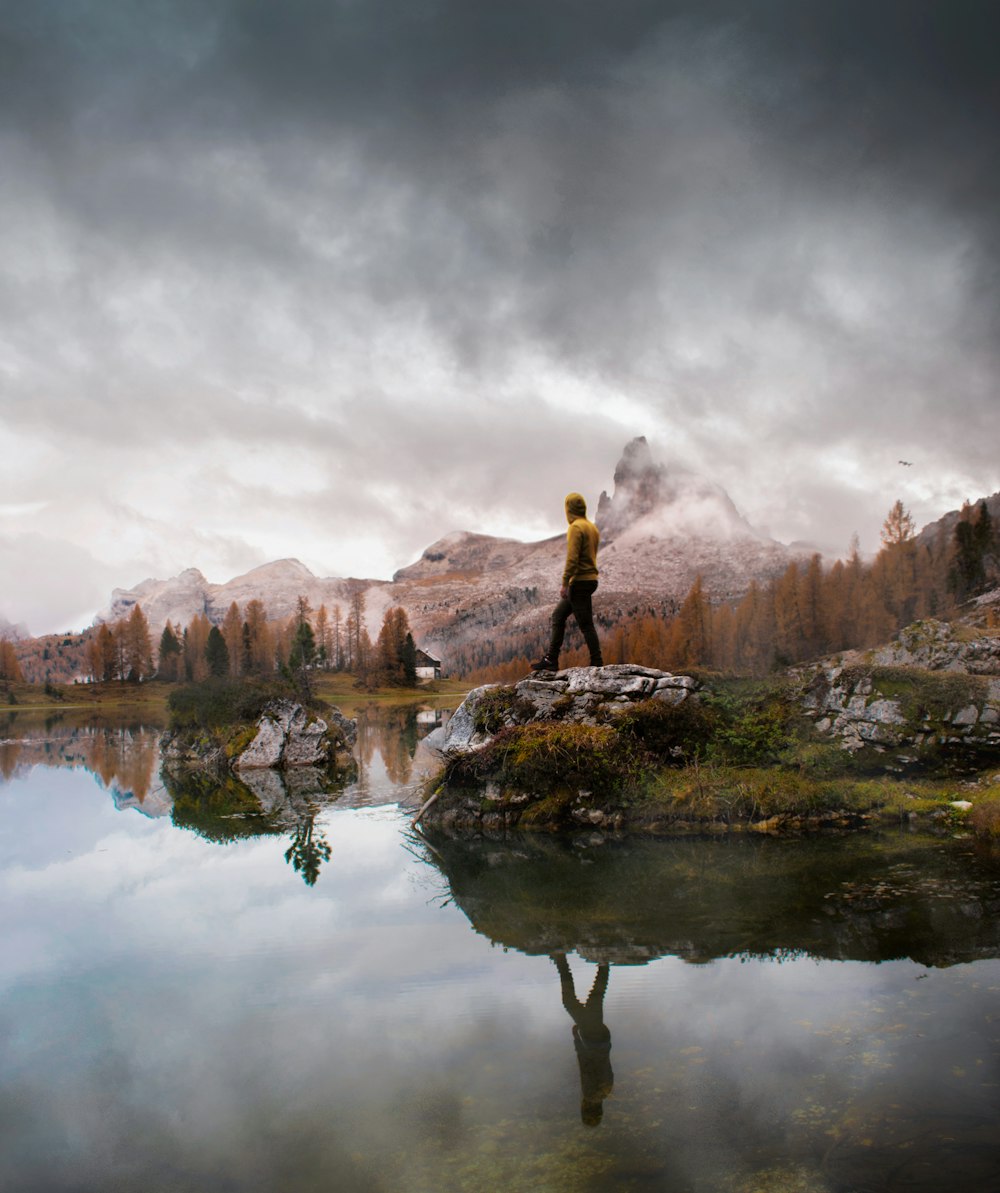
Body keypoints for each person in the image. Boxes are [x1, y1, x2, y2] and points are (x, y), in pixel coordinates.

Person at [532, 492, 603, 671]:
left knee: (586, 624)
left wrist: (565, 583)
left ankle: (597, 663)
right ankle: (551, 659)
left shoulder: (576, 527)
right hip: (590, 580)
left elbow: (572, 558)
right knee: (558, 615)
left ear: (568, 509)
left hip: (578, 581)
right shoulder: (592, 528)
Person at [551, 953, 614, 1126]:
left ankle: (603, 965)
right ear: (585, 1108)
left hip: (601, 1040)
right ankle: (561, 958)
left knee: (595, 998)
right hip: (591, 1040)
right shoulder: (590, 1093)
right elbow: (585, 1063)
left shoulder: (606, 1092)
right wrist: (577, 1040)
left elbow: (604, 1066)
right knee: (571, 1001)